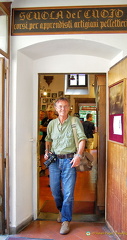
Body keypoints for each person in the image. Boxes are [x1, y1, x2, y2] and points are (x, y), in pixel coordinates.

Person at [44, 97, 86, 235]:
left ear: (69, 108)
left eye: (66, 106)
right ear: (56, 108)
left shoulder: (74, 122)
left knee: (68, 193)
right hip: (54, 161)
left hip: (69, 161)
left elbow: (82, 139)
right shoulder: (51, 124)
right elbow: (48, 140)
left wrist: (78, 156)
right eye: (60, 106)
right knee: (55, 191)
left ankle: (66, 220)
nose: (63, 109)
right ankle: (61, 211)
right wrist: (46, 152)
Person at [39, 105, 55, 176]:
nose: (49, 113)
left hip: (51, 141)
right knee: (41, 154)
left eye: (51, 111)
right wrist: (46, 128)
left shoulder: (54, 120)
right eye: (48, 111)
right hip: (43, 139)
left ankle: (50, 171)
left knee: (50, 156)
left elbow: (51, 130)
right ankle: (43, 169)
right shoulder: (45, 119)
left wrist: (45, 128)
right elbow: (40, 128)